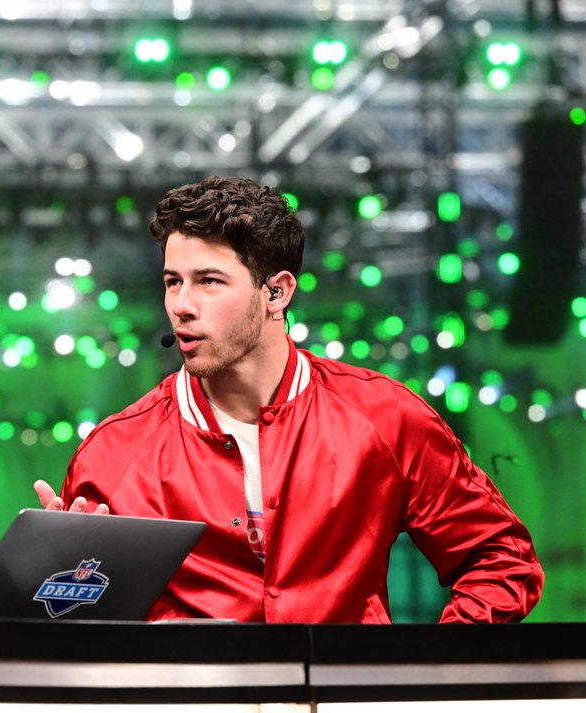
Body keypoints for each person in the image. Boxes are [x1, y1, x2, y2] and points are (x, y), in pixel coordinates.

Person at [35, 176, 542, 624]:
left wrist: (423, 673)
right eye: (173, 282)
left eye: (208, 281)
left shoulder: (385, 419)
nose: (182, 307)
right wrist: (73, 593)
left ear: (276, 293)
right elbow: (78, 629)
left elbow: (501, 559)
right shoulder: (114, 452)